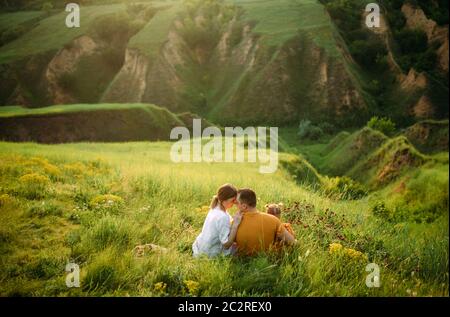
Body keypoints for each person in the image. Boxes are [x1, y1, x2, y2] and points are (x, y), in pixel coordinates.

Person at [235, 189, 296, 256]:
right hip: (267, 259)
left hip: (242, 260)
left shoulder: (234, 222)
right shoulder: (274, 220)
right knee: (286, 228)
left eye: (236, 203)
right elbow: (292, 242)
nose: (235, 205)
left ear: (244, 206)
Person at [192, 184, 242, 258]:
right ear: (223, 200)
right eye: (232, 200)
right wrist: (235, 225)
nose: (234, 203)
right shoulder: (222, 217)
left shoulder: (215, 208)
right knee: (242, 249)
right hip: (210, 253)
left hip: (203, 246)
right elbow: (226, 245)